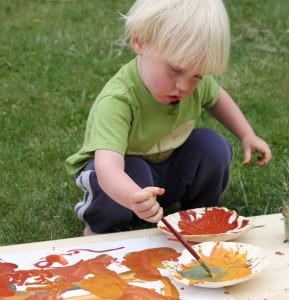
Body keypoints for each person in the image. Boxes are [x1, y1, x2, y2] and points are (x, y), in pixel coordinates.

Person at [65, 0, 272, 236]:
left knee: (213, 146)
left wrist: (246, 134)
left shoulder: (195, 83)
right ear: (139, 41)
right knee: (133, 172)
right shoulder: (118, 100)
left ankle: (200, 217)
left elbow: (217, 98)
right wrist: (133, 196)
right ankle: (98, 228)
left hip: (166, 173)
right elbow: (107, 167)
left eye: (197, 75)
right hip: (122, 181)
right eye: (175, 69)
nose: (184, 85)